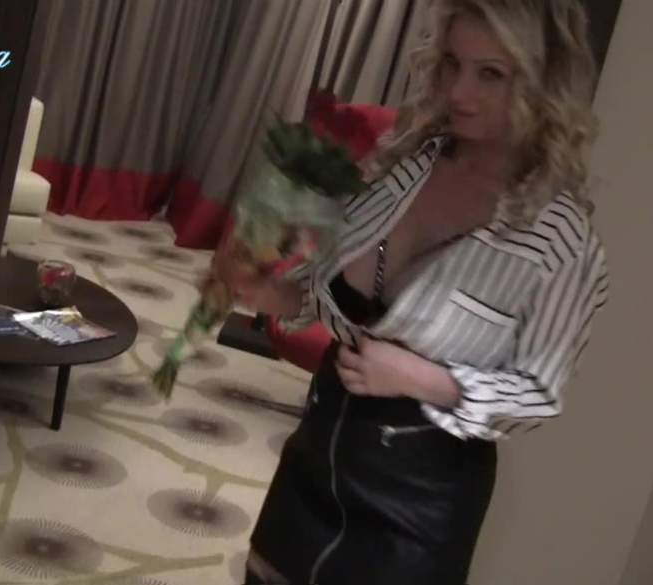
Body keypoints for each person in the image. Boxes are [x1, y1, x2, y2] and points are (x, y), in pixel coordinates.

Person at [214, 1, 609, 583]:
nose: (459, 92)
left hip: (417, 503)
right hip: (316, 455)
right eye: (452, 64)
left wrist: (422, 378)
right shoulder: (408, 165)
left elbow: (537, 391)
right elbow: (327, 296)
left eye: (490, 74)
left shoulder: (560, 241)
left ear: (542, 82)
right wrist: (261, 289)